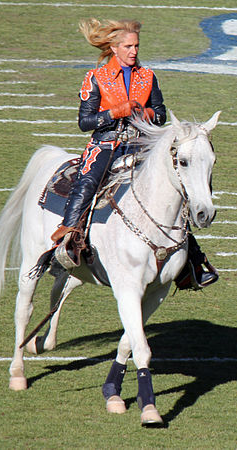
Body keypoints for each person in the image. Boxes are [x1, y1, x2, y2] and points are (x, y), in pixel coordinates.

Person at [51, 18, 218, 289]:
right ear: (114, 48)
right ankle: (66, 242)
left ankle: (193, 262)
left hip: (141, 145)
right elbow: (85, 122)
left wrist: (147, 112)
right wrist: (116, 112)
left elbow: (161, 112)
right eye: (128, 46)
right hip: (106, 146)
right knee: (88, 183)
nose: (134, 51)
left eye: (136, 46)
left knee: (175, 192)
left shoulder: (147, 76)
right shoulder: (96, 78)